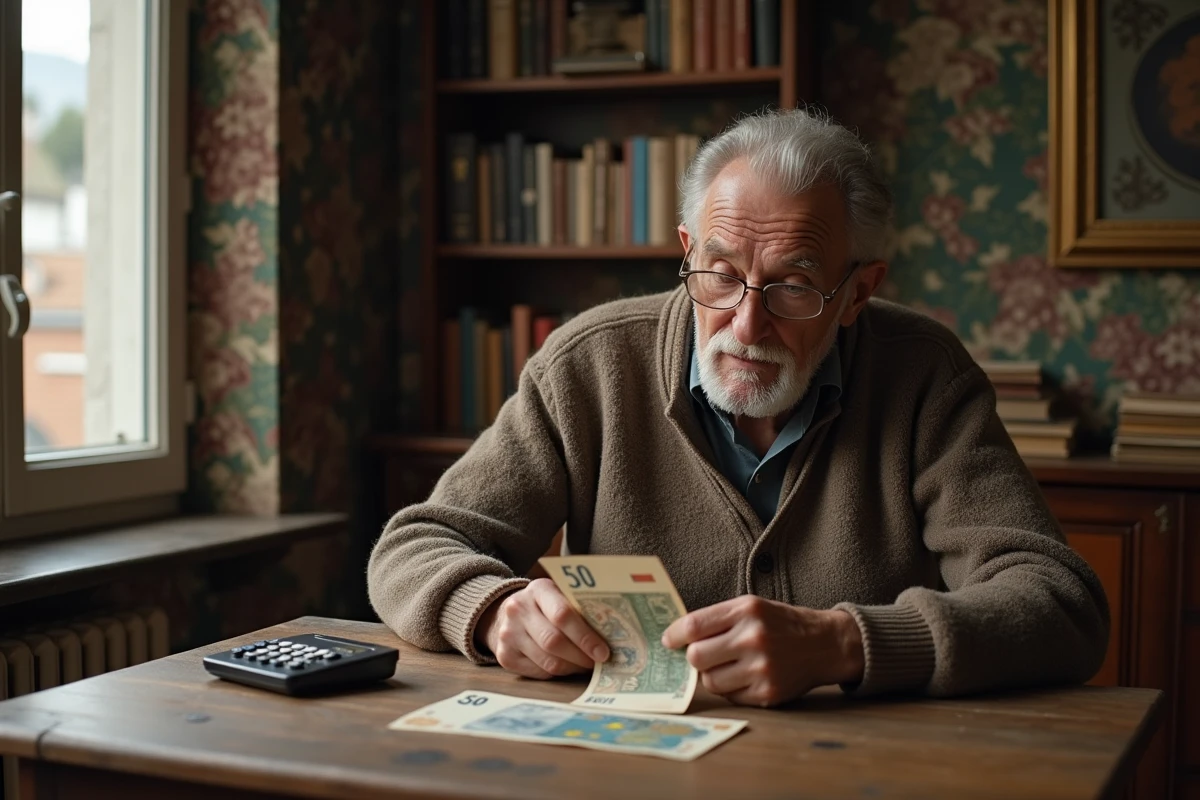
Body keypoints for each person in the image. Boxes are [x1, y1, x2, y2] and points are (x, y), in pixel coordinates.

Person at [368, 108, 1108, 707]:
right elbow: (413, 546)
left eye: (792, 286)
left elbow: (1060, 606)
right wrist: (493, 609)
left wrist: (843, 644)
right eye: (719, 275)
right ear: (687, 252)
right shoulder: (589, 364)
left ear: (857, 291)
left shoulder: (924, 376)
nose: (746, 327)